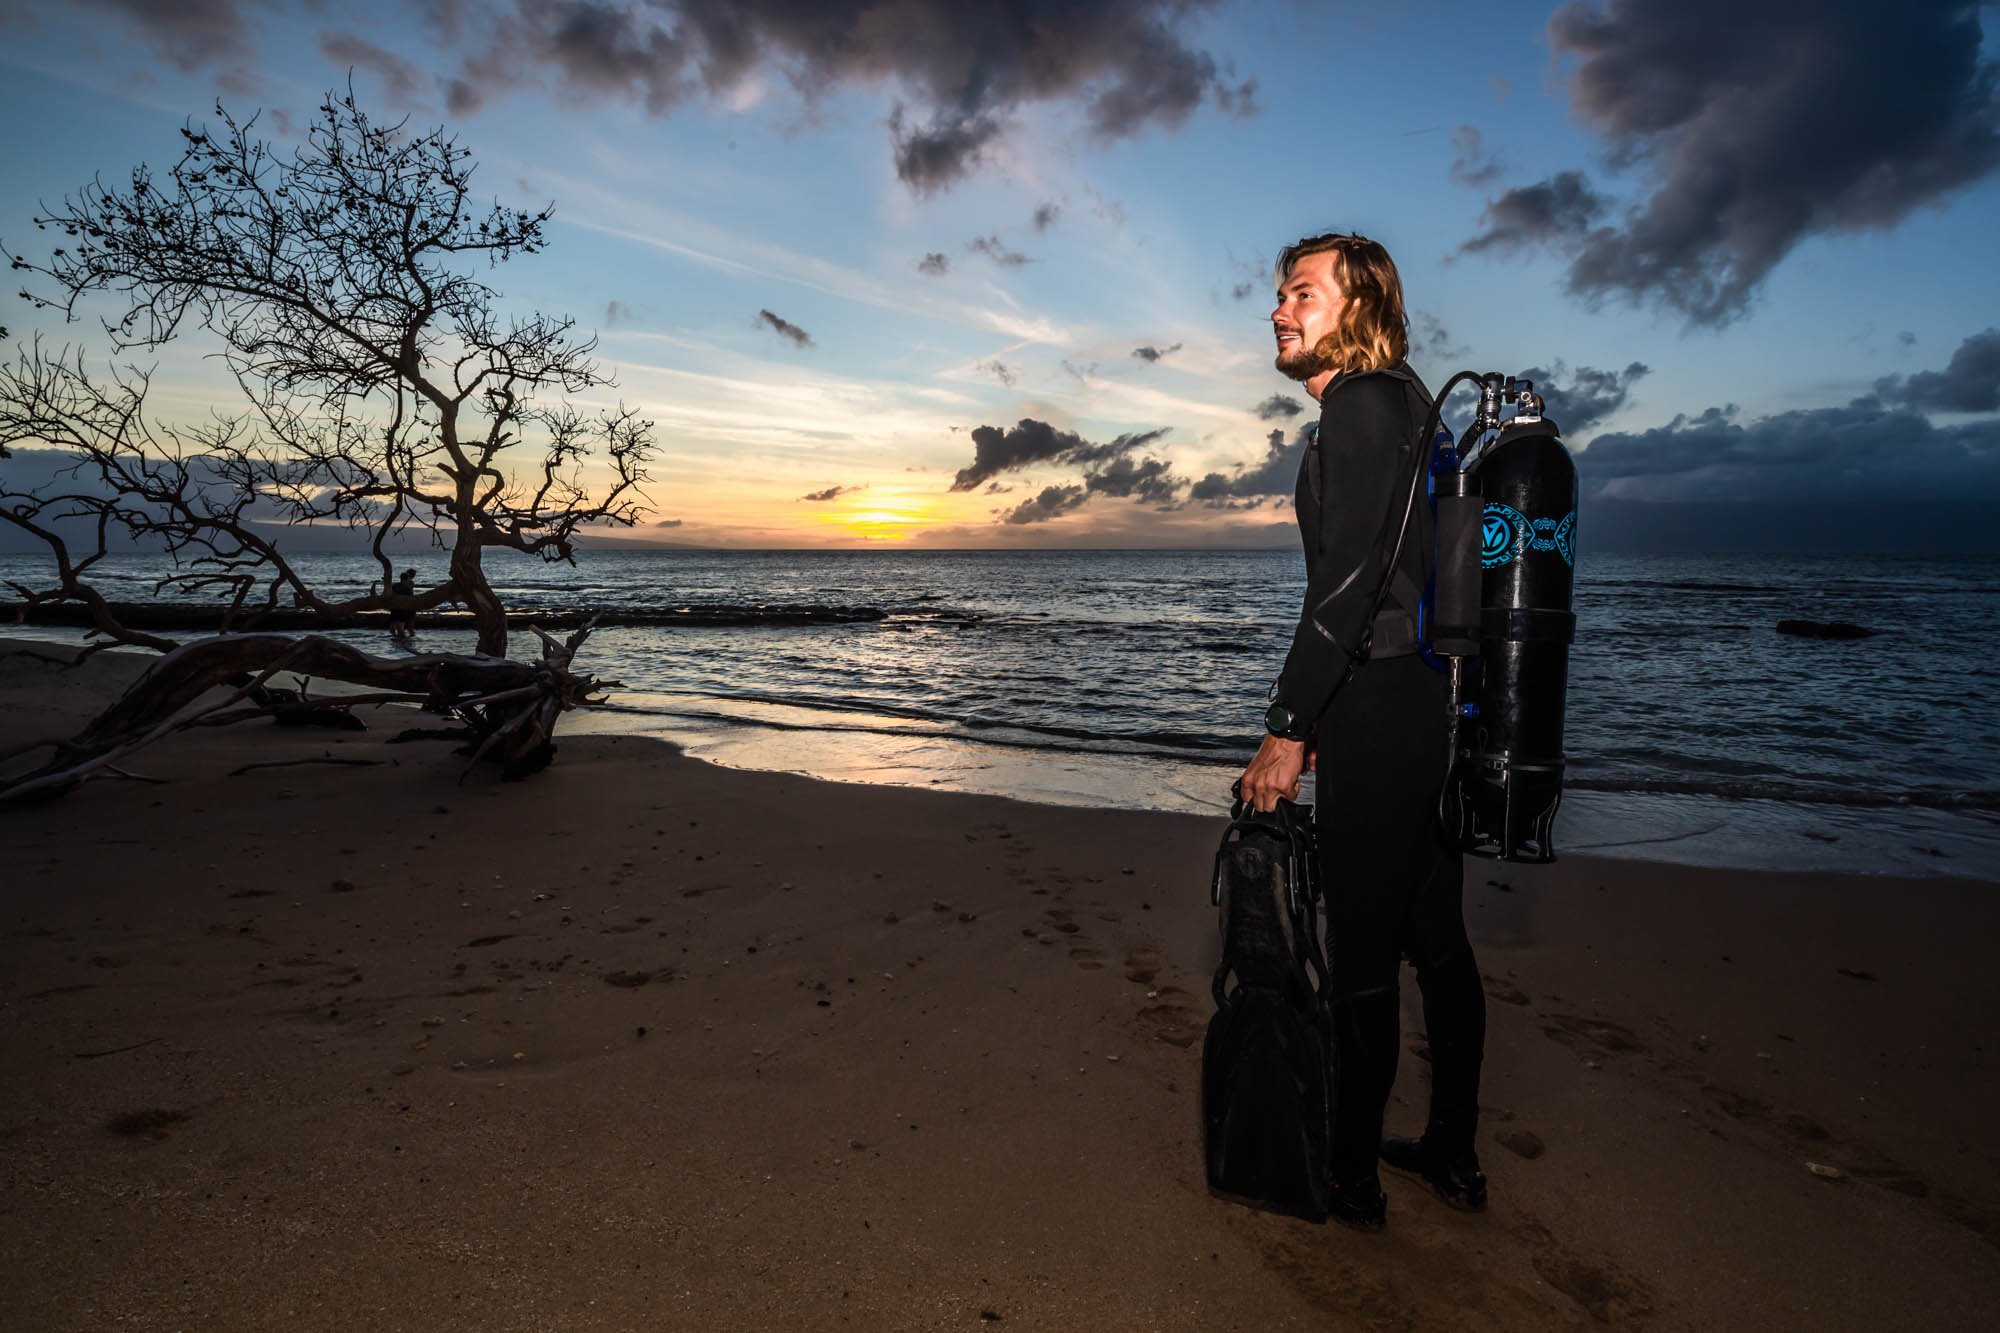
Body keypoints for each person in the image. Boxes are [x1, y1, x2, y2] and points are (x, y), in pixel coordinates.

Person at [1237, 233, 1487, 1230]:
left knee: (1362, 960)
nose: (1277, 308)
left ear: (1358, 304)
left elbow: (1343, 591)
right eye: (1277, 291)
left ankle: (1348, 1179)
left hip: (1379, 708)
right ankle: (1452, 1151)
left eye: (1300, 290)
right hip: (1429, 705)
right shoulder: (1409, 406)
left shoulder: (1359, 407)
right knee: (1435, 939)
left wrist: (1288, 729)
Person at [387, 568, 418, 638]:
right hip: (400, 607)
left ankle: (403, 638)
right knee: (402, 626)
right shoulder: (399, 585)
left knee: (404, 626)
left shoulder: (407, 585)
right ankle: (402, 638)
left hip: (402, 608)